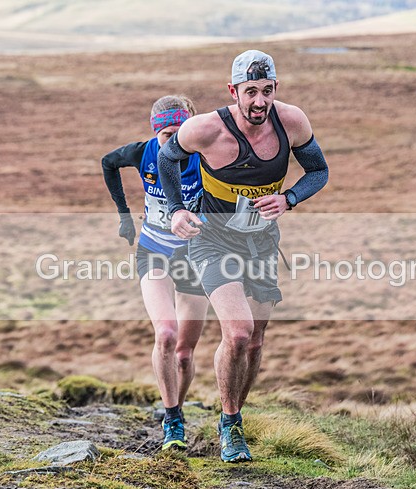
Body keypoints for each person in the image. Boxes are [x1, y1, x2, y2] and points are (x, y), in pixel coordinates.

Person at [158, 50, 329, 462]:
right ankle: (231, 426)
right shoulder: (205, 129)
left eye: (266, 91)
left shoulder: (292, 121)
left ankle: (232, 414)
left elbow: (318, 171)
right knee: (237, 332)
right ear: (233, 91)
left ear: (275, 90)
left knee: (253, 343)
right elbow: (166, 158)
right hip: (212, 239)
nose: (259, 101)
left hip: (262, 243)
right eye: (250, 91)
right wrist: (179, 209)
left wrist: (288, 198)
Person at [102, 95, 209, 451]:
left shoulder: (210, 152)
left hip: (197, 256)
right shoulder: (142, 152)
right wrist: (123, 215)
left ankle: (176, 403)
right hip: (154, 251)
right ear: (155, 132)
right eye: (166, 135)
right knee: (165, 333)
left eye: (180, 133)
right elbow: (108, 163)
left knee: (183, 353)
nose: (174, 141)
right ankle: (173, 419)